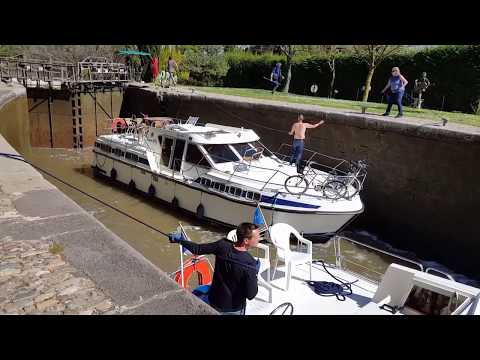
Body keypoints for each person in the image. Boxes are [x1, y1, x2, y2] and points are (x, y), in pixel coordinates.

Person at [169, 223, 260, 315]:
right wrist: (255, 274)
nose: (259, 239)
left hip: (214, 301)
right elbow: (251, 295)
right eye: (257, 237)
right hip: (233, 309)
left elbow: (198, 249)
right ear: (246, 240)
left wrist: (180, 240)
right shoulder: (250, 263)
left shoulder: (222, 245)